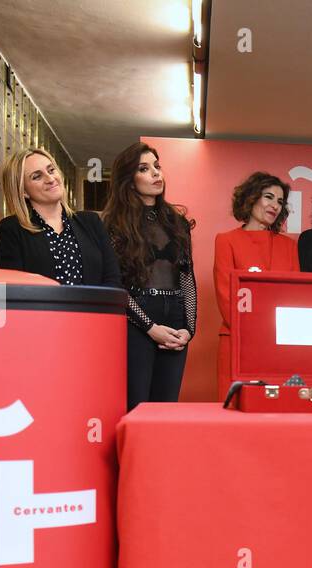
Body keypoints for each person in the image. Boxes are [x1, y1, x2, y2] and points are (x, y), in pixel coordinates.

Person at [102, 142, 198, 410]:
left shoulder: (176, 221)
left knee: (166, 407)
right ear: (129, 180)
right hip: (137, 320)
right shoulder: (113, 224)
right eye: (145, 169)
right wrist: (150, 328)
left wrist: (189, 330)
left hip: (175, 316)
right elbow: (117, 286)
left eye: (157, 166)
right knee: (137, 404)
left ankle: (160, 454)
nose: (156, 174)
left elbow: (187, 277)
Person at [213, 171, 300, 398]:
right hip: (238, 343)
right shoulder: (226, 241)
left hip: (280, 346)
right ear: (251, 198)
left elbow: (294, 298)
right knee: (235, 414)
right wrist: (258, 334)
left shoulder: (289, 246)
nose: (275, 206)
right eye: (269, 197)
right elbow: (226, 296)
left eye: (280, 201)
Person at [0, 147, 121, 288]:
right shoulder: (11, 229)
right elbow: (15, 288)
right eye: (37, 176)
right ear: (23, 191)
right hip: (43, 310)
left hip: (93, 309)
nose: (50, 179)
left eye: (51, 170)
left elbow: (112, 280)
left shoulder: (91, 222)